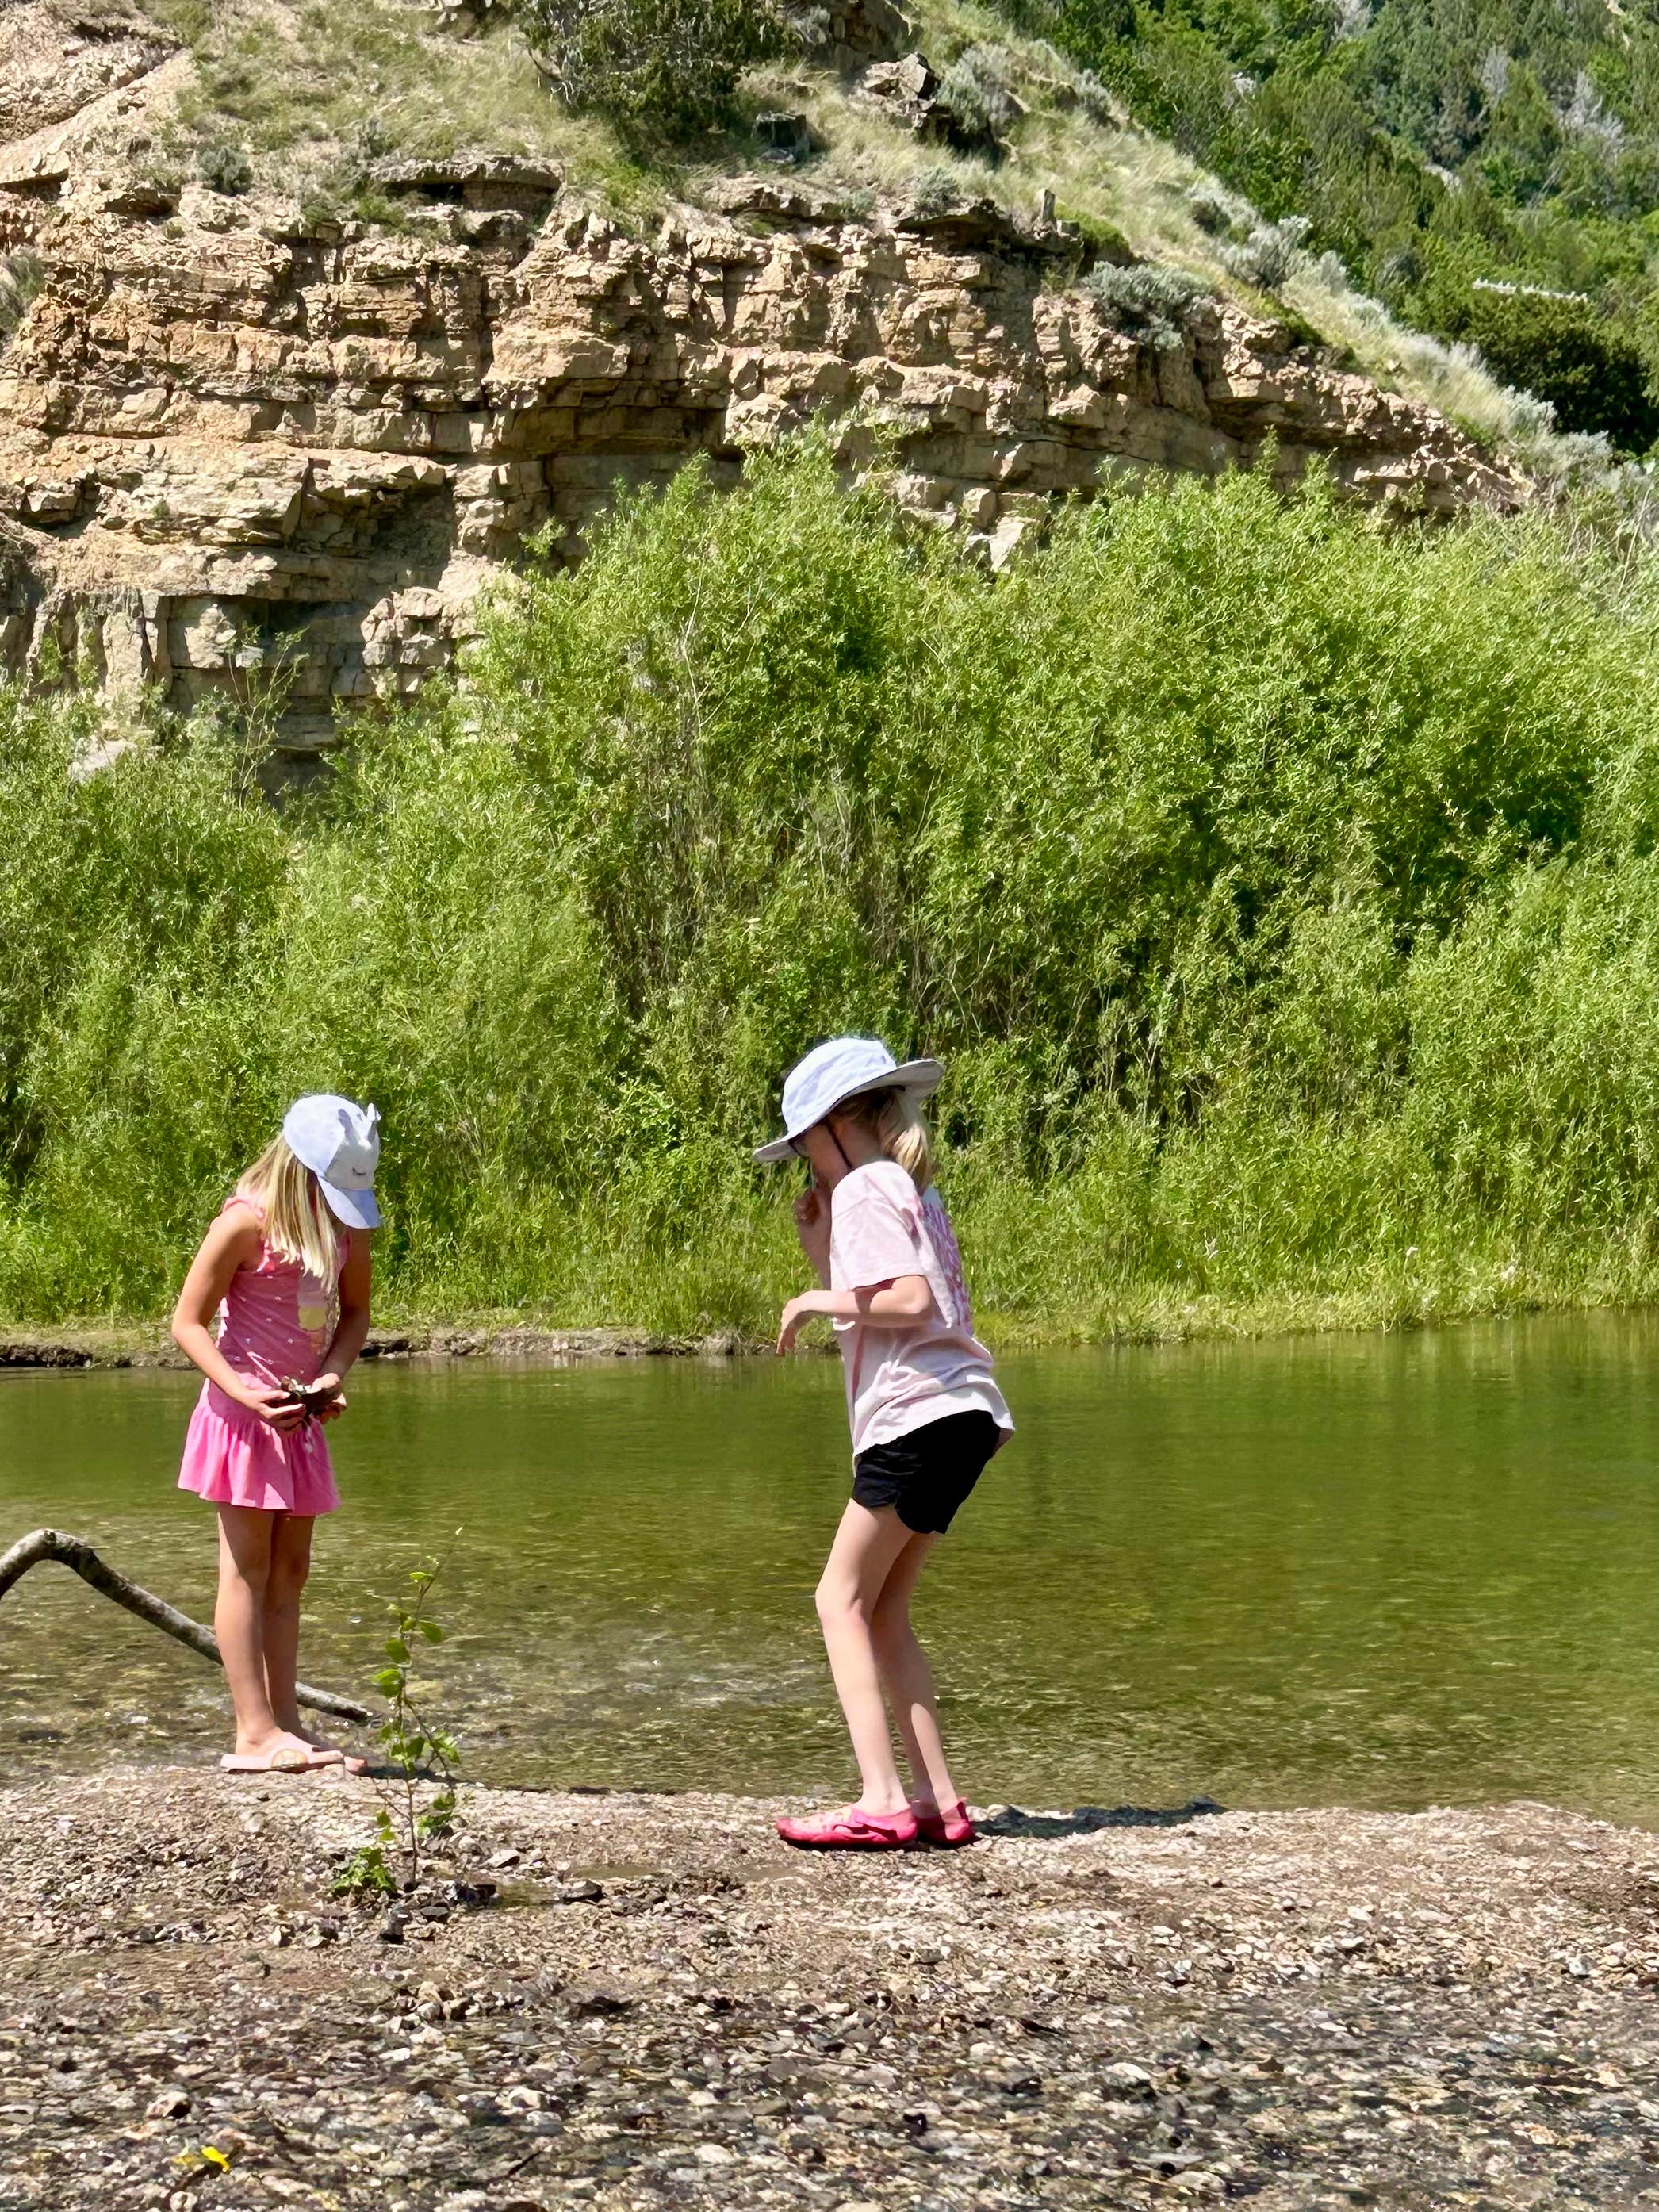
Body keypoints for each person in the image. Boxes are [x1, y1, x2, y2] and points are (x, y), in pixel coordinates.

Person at [759, 1037, 1012, 1850]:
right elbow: (884, 1303)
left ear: (838, 1124)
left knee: (837, 1599)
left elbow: (906, 1301)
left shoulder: (869, 1184)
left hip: (916, 1417)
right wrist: (821, 1250)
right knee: (885, 1609)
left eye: (804, 1143)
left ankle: (882, 1798)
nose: (804, 1162)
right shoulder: (911, 1190)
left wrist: (809, 1298)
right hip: (967, 1415)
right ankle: (938, 1800)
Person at [171, 1095, 381, 1774]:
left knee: (291, 1573)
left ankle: (286, 1723)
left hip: (299, 1420)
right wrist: (243, 1393)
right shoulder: (245, 1223)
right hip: (241, 1420)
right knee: (247, 1570)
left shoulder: (347, 1228)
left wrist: (331, 1376)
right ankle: (252, 1731)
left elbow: (356, 1313)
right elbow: (187, 1322)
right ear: (300, 1169)